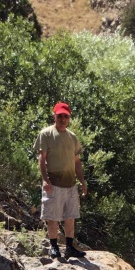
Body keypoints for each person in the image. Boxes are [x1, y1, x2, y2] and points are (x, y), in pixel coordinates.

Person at [35, 102, 87, 261]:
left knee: (70, 216)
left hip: (70, 184)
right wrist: (45, 180)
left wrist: (82, 181)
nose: (63, 119)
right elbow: (42, 159)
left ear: (69, 118)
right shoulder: (46, 134)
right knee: (53, 217)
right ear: (54, 116)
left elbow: (77, 161)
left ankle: (70, 248)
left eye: (66, 116)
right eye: (60, 116)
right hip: (53, 183)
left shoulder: (72, 137)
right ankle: (54, 247)